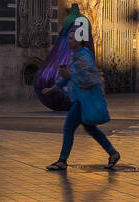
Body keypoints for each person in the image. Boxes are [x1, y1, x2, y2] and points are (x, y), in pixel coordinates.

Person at [43, 24, 121, 172]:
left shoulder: (84, 56)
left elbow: (88, 78)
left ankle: (62, 161)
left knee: (68, 128)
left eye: (71, 38)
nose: (68, 41)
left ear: (78, 41)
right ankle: (113, 153)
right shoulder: (76, 55)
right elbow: (67, 78)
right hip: (81, 99)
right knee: (90, 128)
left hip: (83, 100)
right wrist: (53, 89)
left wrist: (69, 75)